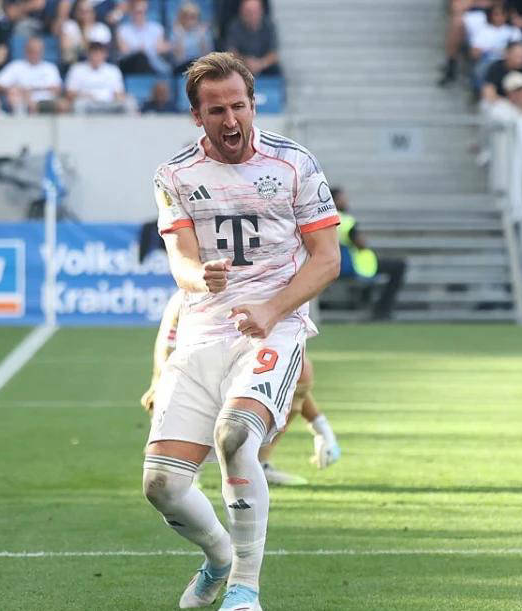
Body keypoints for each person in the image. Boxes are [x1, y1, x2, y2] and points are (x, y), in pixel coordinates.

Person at [142, 52, 340, 611]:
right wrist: (199, 276)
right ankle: (219, 556)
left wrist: (273, 310)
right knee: (162, 486)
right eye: (216, 111)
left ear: (254, 104)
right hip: (203, 332)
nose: (230, 120)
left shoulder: (294, 164)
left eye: (238, 106)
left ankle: (245, 589)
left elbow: (327, 259)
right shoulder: (174, 175)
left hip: (274, 329)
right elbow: (180, 261)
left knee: (234, 437)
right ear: (196, 116)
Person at [139, 288, 342, 487]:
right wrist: (159, 387)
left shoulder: (263, 295)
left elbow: (284, 377)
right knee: (187, 386)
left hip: (242, 379)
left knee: (300, 368)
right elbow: (166, 351)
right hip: (196, 378)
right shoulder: (188, 300)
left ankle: (259, 462)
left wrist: (320, 426)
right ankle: (183, 467)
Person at [332, 186, 406, 321]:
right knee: (399, 266)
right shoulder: (346, 221)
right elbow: (361, 243)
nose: (346, 200)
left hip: (337, 265)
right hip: (357, 265)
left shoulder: (325, 218)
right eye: (343, 198)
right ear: (335, 200)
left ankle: (368, 302)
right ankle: (383, 310)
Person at [0, 36, 63, 114]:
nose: (35, 54)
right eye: (32, 51)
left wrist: (32, 90)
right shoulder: (16, 66)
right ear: (26, 51)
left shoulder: (50, 68)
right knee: (15, 98)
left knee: (62, 104)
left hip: (46, 103)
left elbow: (57, 88)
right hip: (22, 102)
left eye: (38, 51)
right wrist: (13, 90)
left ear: (42, 52)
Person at [63, 41, 135, 113]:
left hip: (109, 104)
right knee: (78, 104)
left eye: (99, 53)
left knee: (130, 102)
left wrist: (115, 98)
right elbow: (70, 93)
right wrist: (85, 96)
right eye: (94, 53)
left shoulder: (113, 70)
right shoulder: (77, 69)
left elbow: (119, 93)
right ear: (88, 54)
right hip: (87, 104)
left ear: (105, 55)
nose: (96, 56)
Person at [225, 0, 280, 76]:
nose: (252, 15)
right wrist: (246, 62)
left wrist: (260, 64)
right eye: (248, 12)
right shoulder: (234, 26)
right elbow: (231, 52)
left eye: (255, 11)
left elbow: (274, 54)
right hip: (241, 66)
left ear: (261, 11)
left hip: (264, 67)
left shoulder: (269, 26)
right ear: (241, 12)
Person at [116, 0, 171, 74]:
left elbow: (160, 48)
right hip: (131, 65)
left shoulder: (156, 28)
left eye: (144, 12)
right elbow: (124, 50)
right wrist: (143, 49)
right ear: (131, 13)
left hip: (153, 63)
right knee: (141, 58)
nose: (142, 15)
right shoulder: (123, 29)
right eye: (138, 12)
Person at [60, 0, 112, 64]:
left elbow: (101, 53)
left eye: (87, 11)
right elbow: (66, 53)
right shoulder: (69, 25)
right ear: (76, 12)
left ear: (93, 12)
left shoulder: (102, 29)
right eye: (81, 11)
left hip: (97, 65)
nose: (84, 14)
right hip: (74, 64)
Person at [170, 2, 215, 73]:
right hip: (182, 67)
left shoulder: (203, 32)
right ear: (181, 18)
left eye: (193, 17)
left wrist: (202, 38)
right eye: (186, 16)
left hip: (200, 66)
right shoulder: (176, 32)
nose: (189, 20)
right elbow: (179, 59)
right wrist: (180, 36)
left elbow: (207, 57)